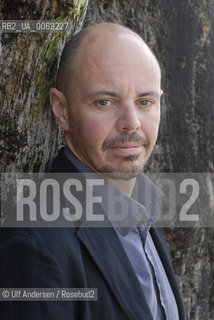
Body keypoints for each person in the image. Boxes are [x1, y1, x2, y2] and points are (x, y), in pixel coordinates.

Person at [0, 23, 188, 319]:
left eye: (145, 102)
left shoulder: (142, 210)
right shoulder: (36, 245)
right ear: (61, 109)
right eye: (105, 102)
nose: (131, 122)